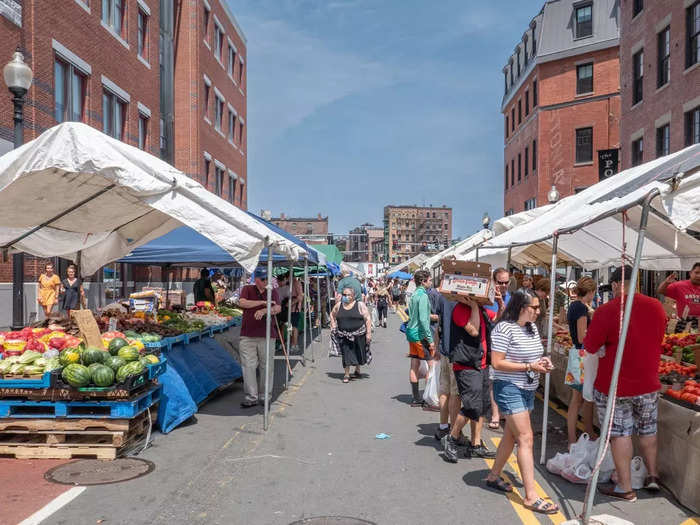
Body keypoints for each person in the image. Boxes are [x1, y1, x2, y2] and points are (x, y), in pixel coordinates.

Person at [584, 265, 666, 501]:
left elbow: (589, 346)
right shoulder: (656, 306)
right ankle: (652, 475)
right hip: (648, 382)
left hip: (615, 385)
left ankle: (625, 487)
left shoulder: (606, 311)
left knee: (620, 435)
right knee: (648, 430)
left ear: (617, 285)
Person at [485, 289, 559, 515]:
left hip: (527, 388)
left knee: (511, 435)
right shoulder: (503, 328)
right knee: (526, 438)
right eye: (534, 307)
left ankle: (493, 476)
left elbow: (533, 356)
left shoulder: (532, 328)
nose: (539, 311)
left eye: (539, 307)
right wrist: (529, 367)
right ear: (520, 307)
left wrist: (542, 362)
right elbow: (497, 363)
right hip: (509, 389)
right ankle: (531, 496)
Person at [441, 296, 498, 461]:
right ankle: (451, 438)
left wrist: (500, 304)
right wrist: (473, 305)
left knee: (482, 406)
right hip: (466, 364)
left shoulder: (480, 309)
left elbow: (497, 319)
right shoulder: (460, 309)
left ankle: (476, 445)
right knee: (472, 405)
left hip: (481, 363)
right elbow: (473, 330)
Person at [237, 268, 281, 408]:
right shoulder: (247, 289)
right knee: (248, 366)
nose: (266, 282)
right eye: (263, 279)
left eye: (268, 279)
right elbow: (242, 303)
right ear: (256, 280)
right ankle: (251, 396)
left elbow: (278, 308)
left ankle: (265, 395)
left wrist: (265, 310)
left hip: (267, 335)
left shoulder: (272, 291)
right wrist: (262, 303)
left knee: (267, 366)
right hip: (247, 335)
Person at [565, 276, 597, 447]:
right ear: (591, 292)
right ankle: (574, 438)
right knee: (579, 399)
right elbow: (582, 336)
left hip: (577, 355)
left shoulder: (576, 306)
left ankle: (585, 433)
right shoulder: (580, 308)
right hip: (582, 356)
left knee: (581, 399)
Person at [330, 286, 372, 383]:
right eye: (344, 295)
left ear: (353, 296)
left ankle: (357, 369)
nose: (346, 297)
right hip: (343, 335)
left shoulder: (360, 305)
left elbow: (368, 318)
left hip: (359, 334)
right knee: (346, 354)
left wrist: (368, 333)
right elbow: (332, 314)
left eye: (348, 295)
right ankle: (347, 374)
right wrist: (333, 324)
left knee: (358, 353)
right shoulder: (338, 305)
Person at [405, 270, 435, 406]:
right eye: (429, 280)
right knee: (431, 365)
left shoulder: (413, 294)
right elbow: (424, 320)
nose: (431, 282)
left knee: (414, 364)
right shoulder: (423, 296)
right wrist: (430, 340)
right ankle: (428, 397)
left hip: (411, 332)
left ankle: (416, 397)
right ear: (423, 281)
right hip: (420, 334)